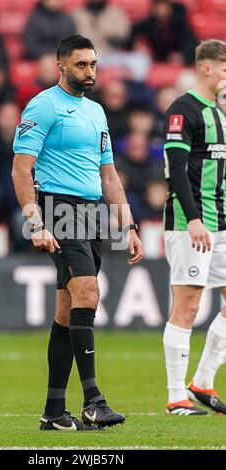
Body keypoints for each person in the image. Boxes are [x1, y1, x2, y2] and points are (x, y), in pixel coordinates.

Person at [12, 34, 143, 431]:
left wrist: (129, 224)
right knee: (88, 291)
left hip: (90, 213)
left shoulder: (97, 112)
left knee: (69, 310)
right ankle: (93, 402)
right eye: (82, 65)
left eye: (94, 64)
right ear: (61, 67)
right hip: (57, 208)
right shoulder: (43, 105)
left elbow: (109, 175)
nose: (90, 72)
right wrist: (36, 223)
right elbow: (21, 169)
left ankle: (53, 413)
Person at [163, 39, 226, 416]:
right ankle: (175, 397)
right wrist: (195, 220)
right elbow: (176, 171)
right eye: (224, 68)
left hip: (220, 223)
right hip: (192, 225)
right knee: (188, 306)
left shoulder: (219, 114)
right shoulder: (183, 110)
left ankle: (203, 381)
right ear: (207, 68)